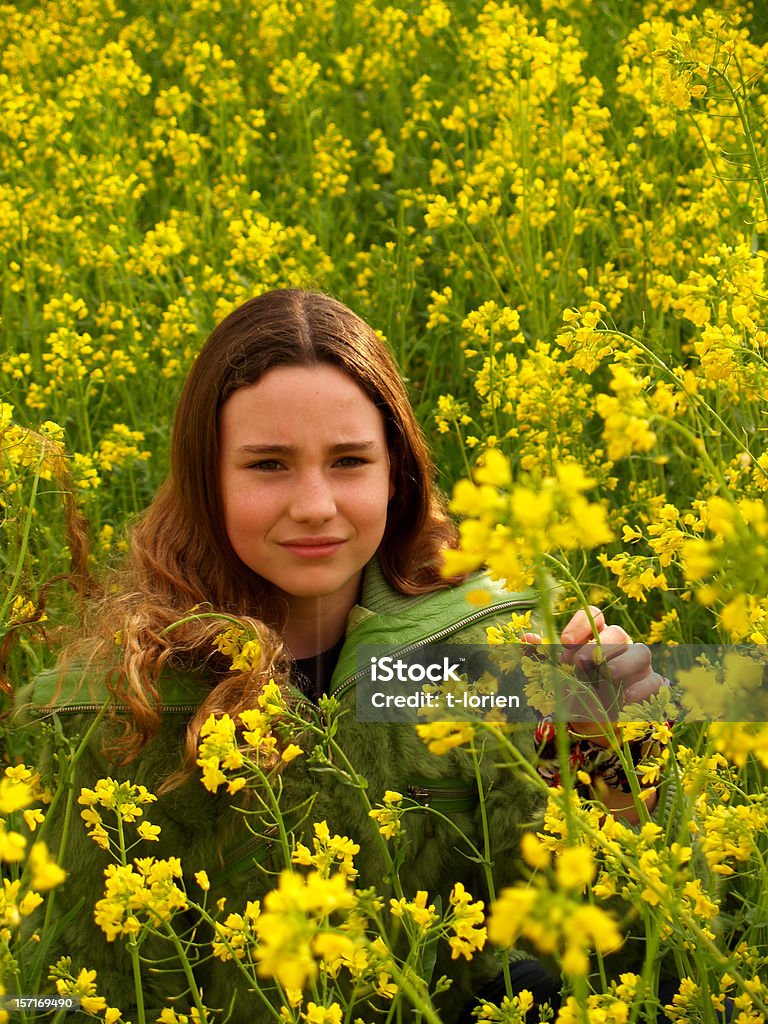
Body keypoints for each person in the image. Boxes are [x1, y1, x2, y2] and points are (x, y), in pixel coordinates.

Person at [25, 289, 669, 1021]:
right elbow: (66, 993)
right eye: (268, 465)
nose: (314, 505)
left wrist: (615, 760)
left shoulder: (486, 643)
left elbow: (627, 955)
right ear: (207, 478)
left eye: (349, 461)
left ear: (396, 473)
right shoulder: (129, 694)